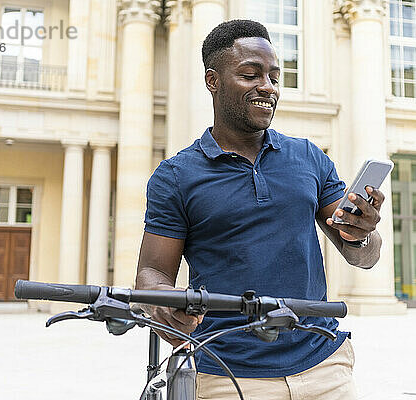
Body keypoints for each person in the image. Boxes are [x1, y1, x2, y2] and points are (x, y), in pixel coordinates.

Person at [136, 19, 385, 400]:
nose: (267, 87)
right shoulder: (176, 176)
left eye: (273, 76)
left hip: (324, 366)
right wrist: (166, 307)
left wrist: (361, 233)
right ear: (212, 81)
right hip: (226, 374)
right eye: (250, 74)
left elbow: (362, 256)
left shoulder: (308, 157)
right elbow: (152, 272)